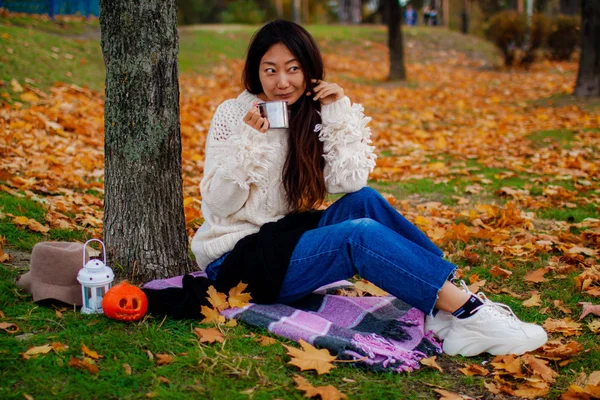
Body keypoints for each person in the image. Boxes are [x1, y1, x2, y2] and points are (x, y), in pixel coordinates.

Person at [190, 19, 547, 357]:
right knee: (357, 235)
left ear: (309, 71)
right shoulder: (232, 115)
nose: (282, 81)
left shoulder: (306, 115)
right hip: (237, 262)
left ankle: (445, 306)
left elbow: (350, 183)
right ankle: (470, 314)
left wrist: (334, 112)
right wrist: (250, 143)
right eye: (271, 70)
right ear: (256, 72)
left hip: (281, 240)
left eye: (293, 68)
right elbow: (220, 205)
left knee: (365, 201)